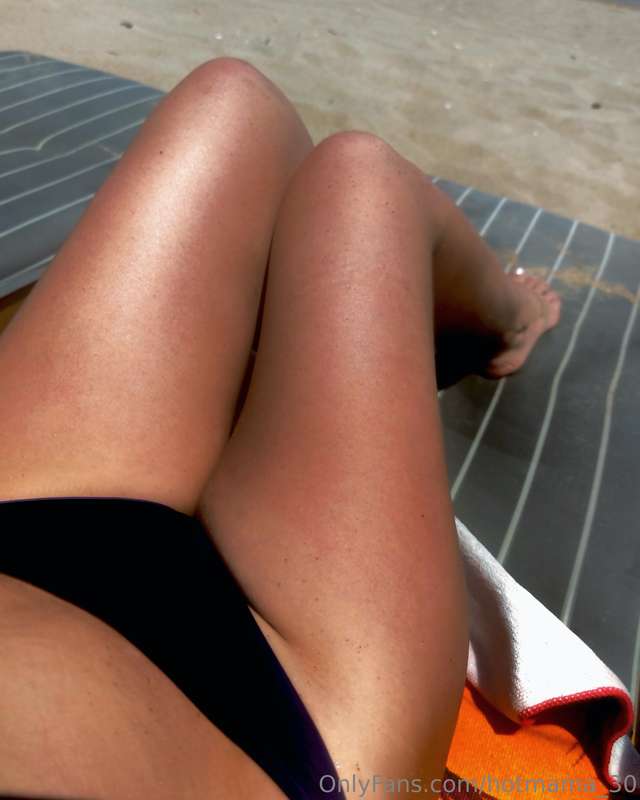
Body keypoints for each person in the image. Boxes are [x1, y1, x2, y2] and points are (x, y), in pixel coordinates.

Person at [0, 58, 561, 799]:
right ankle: (507, 327)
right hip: (286, 736)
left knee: (233, 98)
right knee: (366, 181)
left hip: (23, 547)